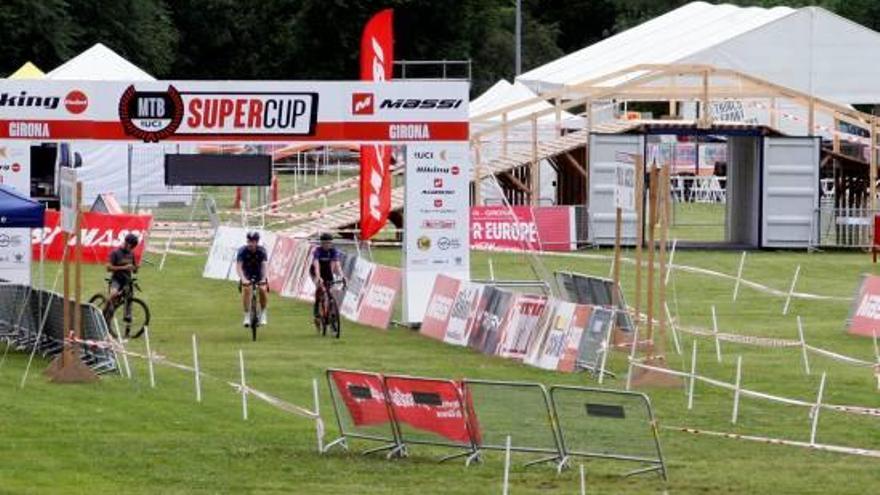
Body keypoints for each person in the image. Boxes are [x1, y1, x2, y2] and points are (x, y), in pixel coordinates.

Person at [310, 233, 345, 329]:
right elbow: (316, 264)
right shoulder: (318, 251)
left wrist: (342, 276)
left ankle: (332, 313)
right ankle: (317, 312)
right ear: (321, 243)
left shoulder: (333, 251)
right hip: (316, 271)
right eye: (325, 243)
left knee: (330, 291)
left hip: (327, 270)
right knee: (320, 288)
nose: (327, 245)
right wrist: (318, 277)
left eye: (329, 243)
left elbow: (337, 264)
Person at [236, 231, 269, 327]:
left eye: (252, 241)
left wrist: (263, 278)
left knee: (262, 289)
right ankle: (246, 315)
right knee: (246, 289)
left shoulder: (262, 251)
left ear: (257, 242)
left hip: (259, 273)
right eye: (248, 241)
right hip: (247, 273)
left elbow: (264, 266)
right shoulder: (242, 251)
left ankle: (263, 313)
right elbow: (239, 267)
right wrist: (243, 279)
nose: (250, 243)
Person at [107, 233, 139, 307]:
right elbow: (108, 268)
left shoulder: (131, 253)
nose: (132, 249)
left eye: (133, 247)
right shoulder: (115, 253)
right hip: (116, 279)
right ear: (126, 243)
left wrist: (136, 268)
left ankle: (127, 316)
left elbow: (134, 270)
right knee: (113, 294)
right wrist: (124, 267)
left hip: (127, 281)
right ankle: (103, 311)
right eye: (131, 246)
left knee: (127, 300)